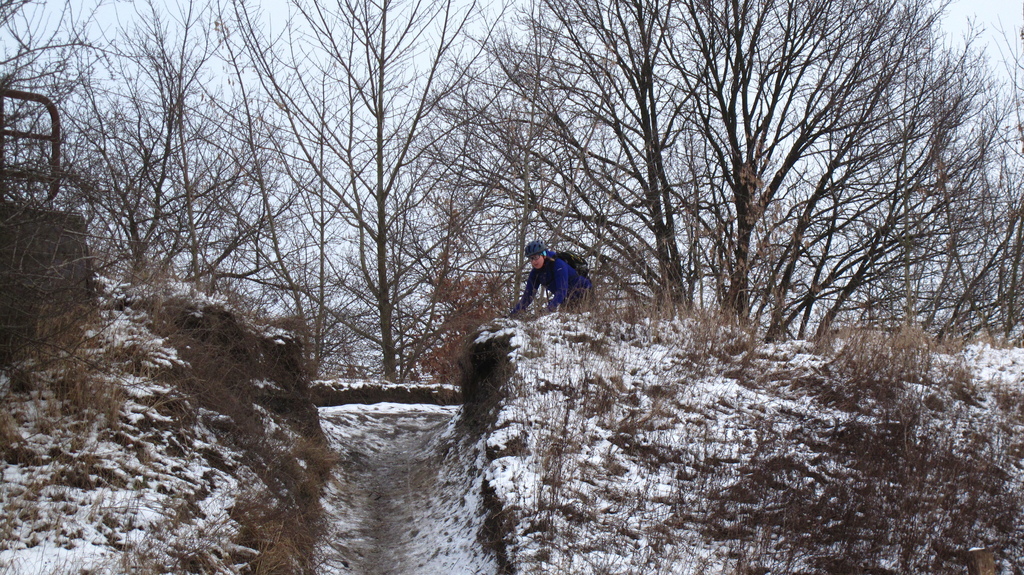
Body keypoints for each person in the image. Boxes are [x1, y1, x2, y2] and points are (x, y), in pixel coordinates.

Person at [510, 240, 592, 317]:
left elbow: (561, 291)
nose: (533, 261)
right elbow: (528, 296)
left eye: (536, 257)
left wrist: (547, 310)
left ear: (544, 254)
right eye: (531, 258)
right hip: (567, 300)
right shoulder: (535, 273)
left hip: (585, 294)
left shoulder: (558, 265)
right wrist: (513, 314)